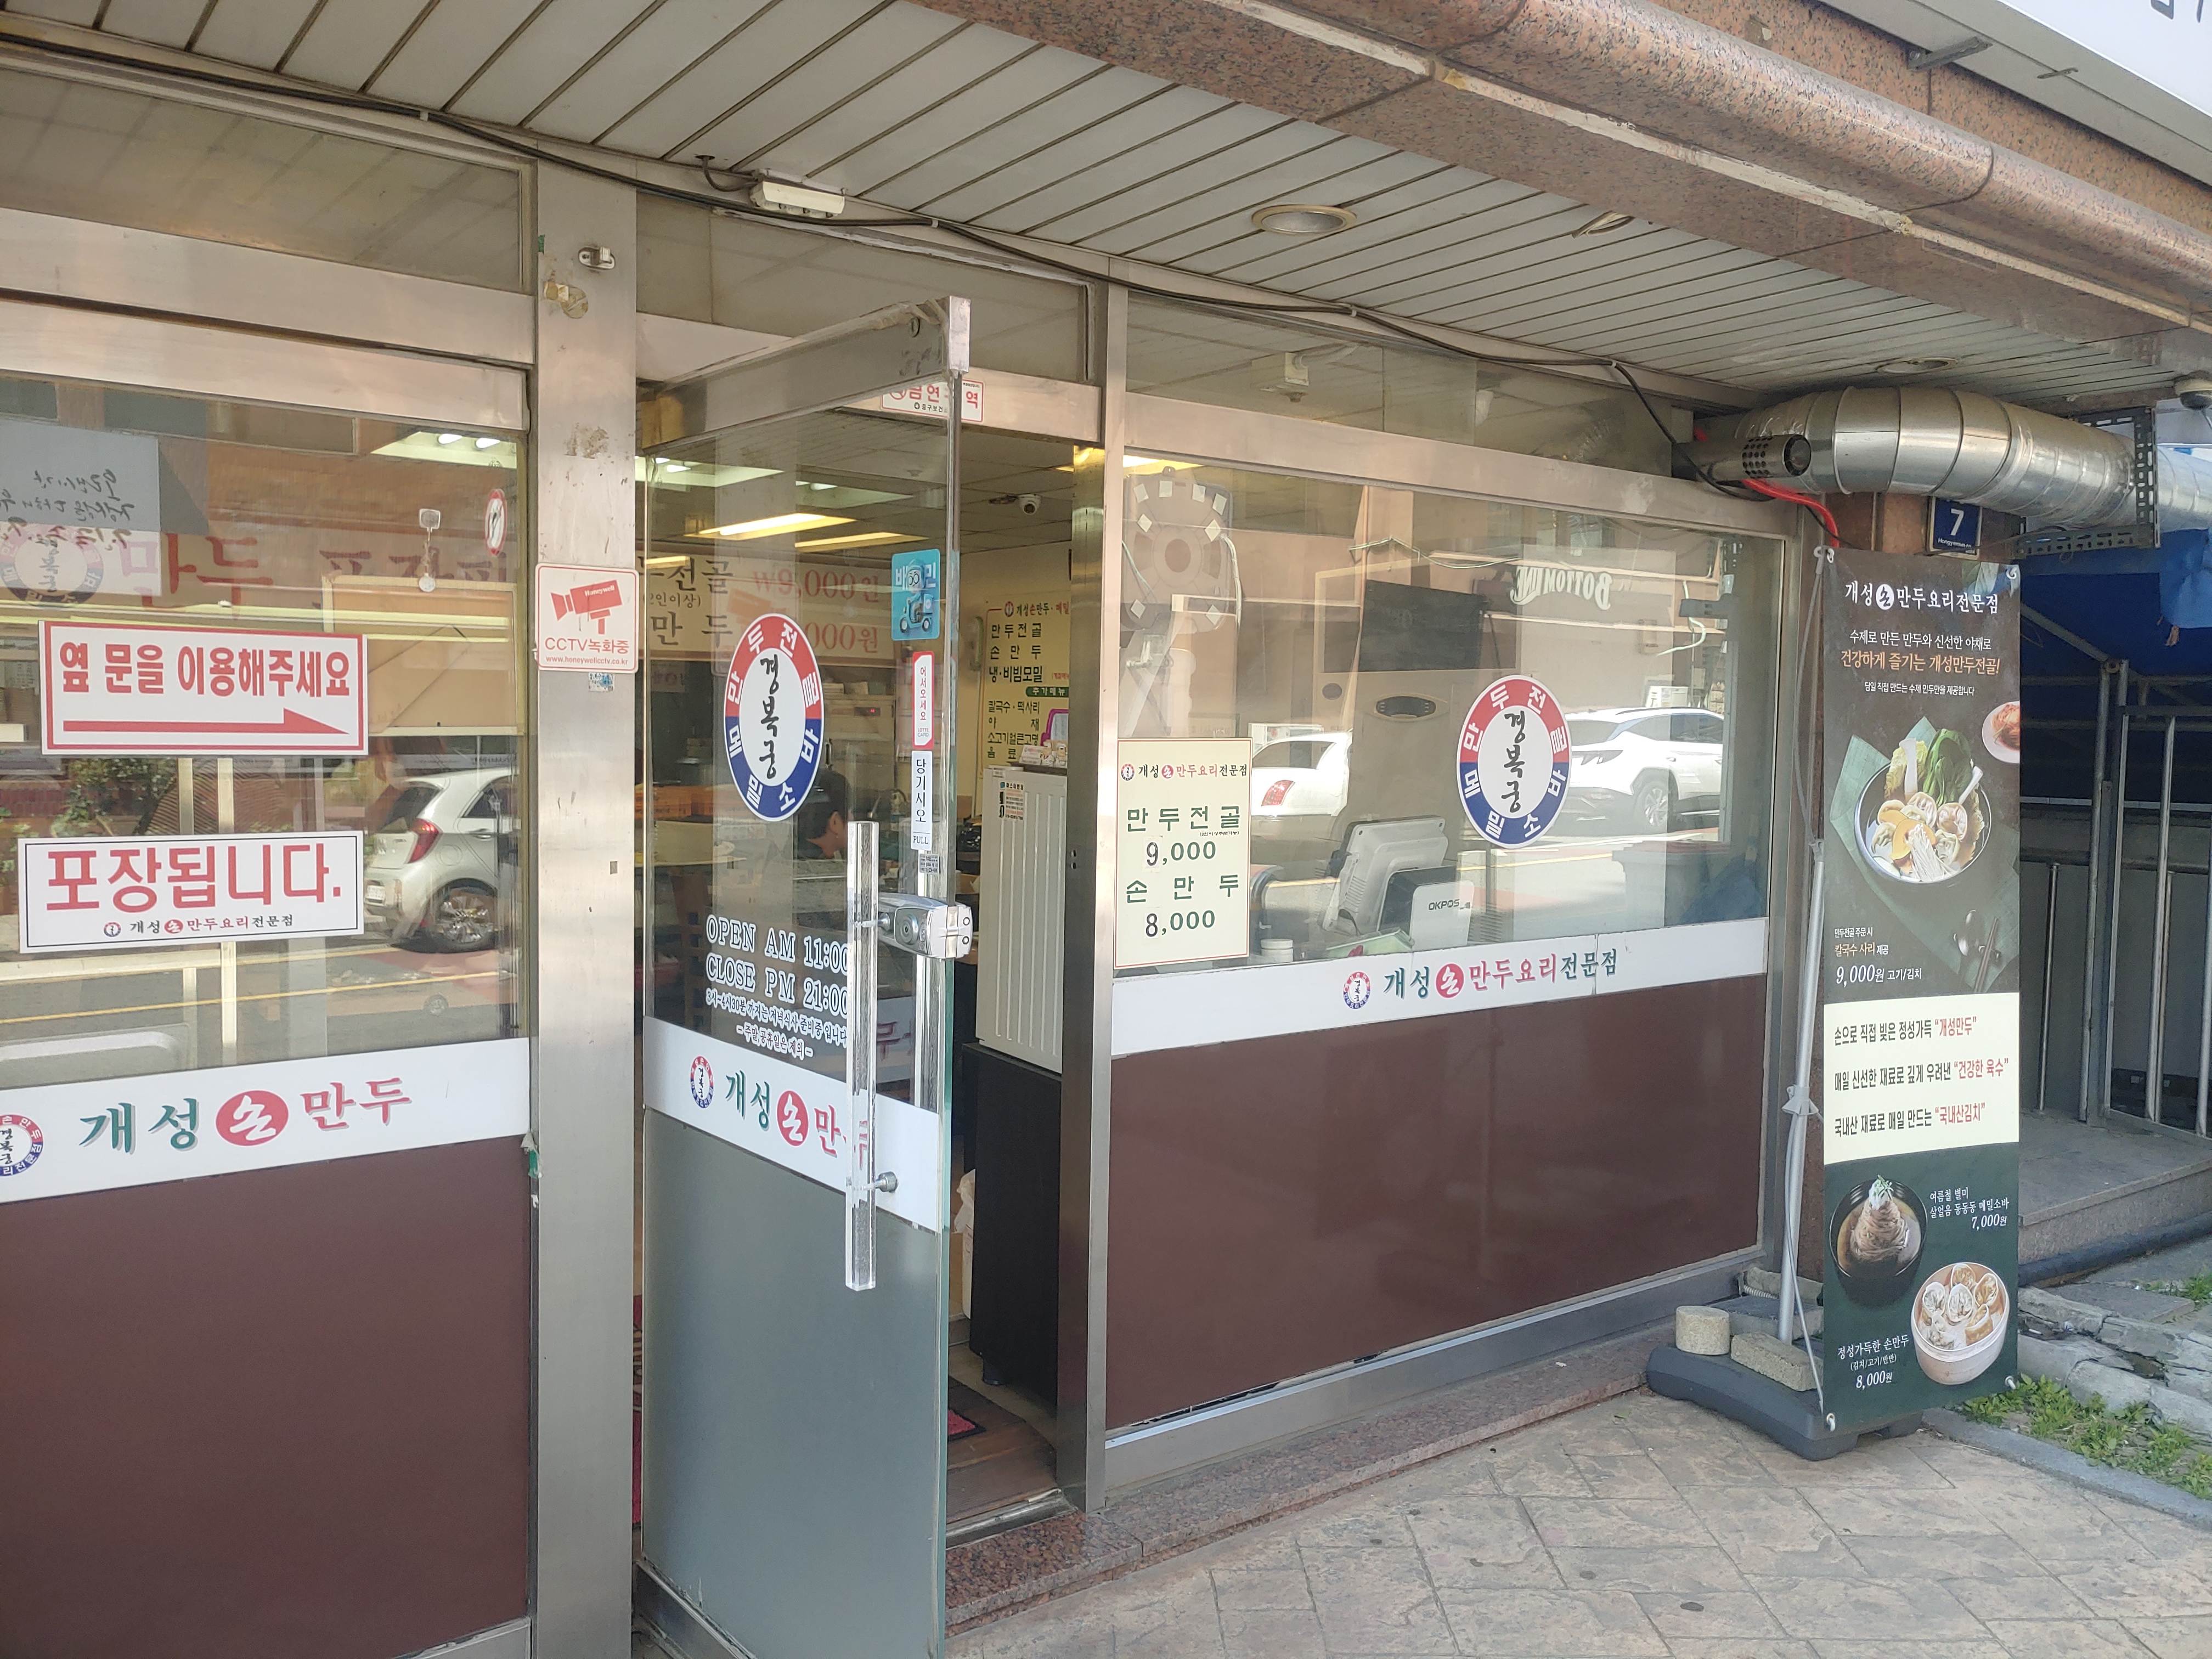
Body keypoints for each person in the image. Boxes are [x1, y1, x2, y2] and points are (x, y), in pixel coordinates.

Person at [794, 769, 849, 860]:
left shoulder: (788, 857)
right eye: (851, 812)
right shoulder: (824, 867)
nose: (853, 818)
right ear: (835, 822)